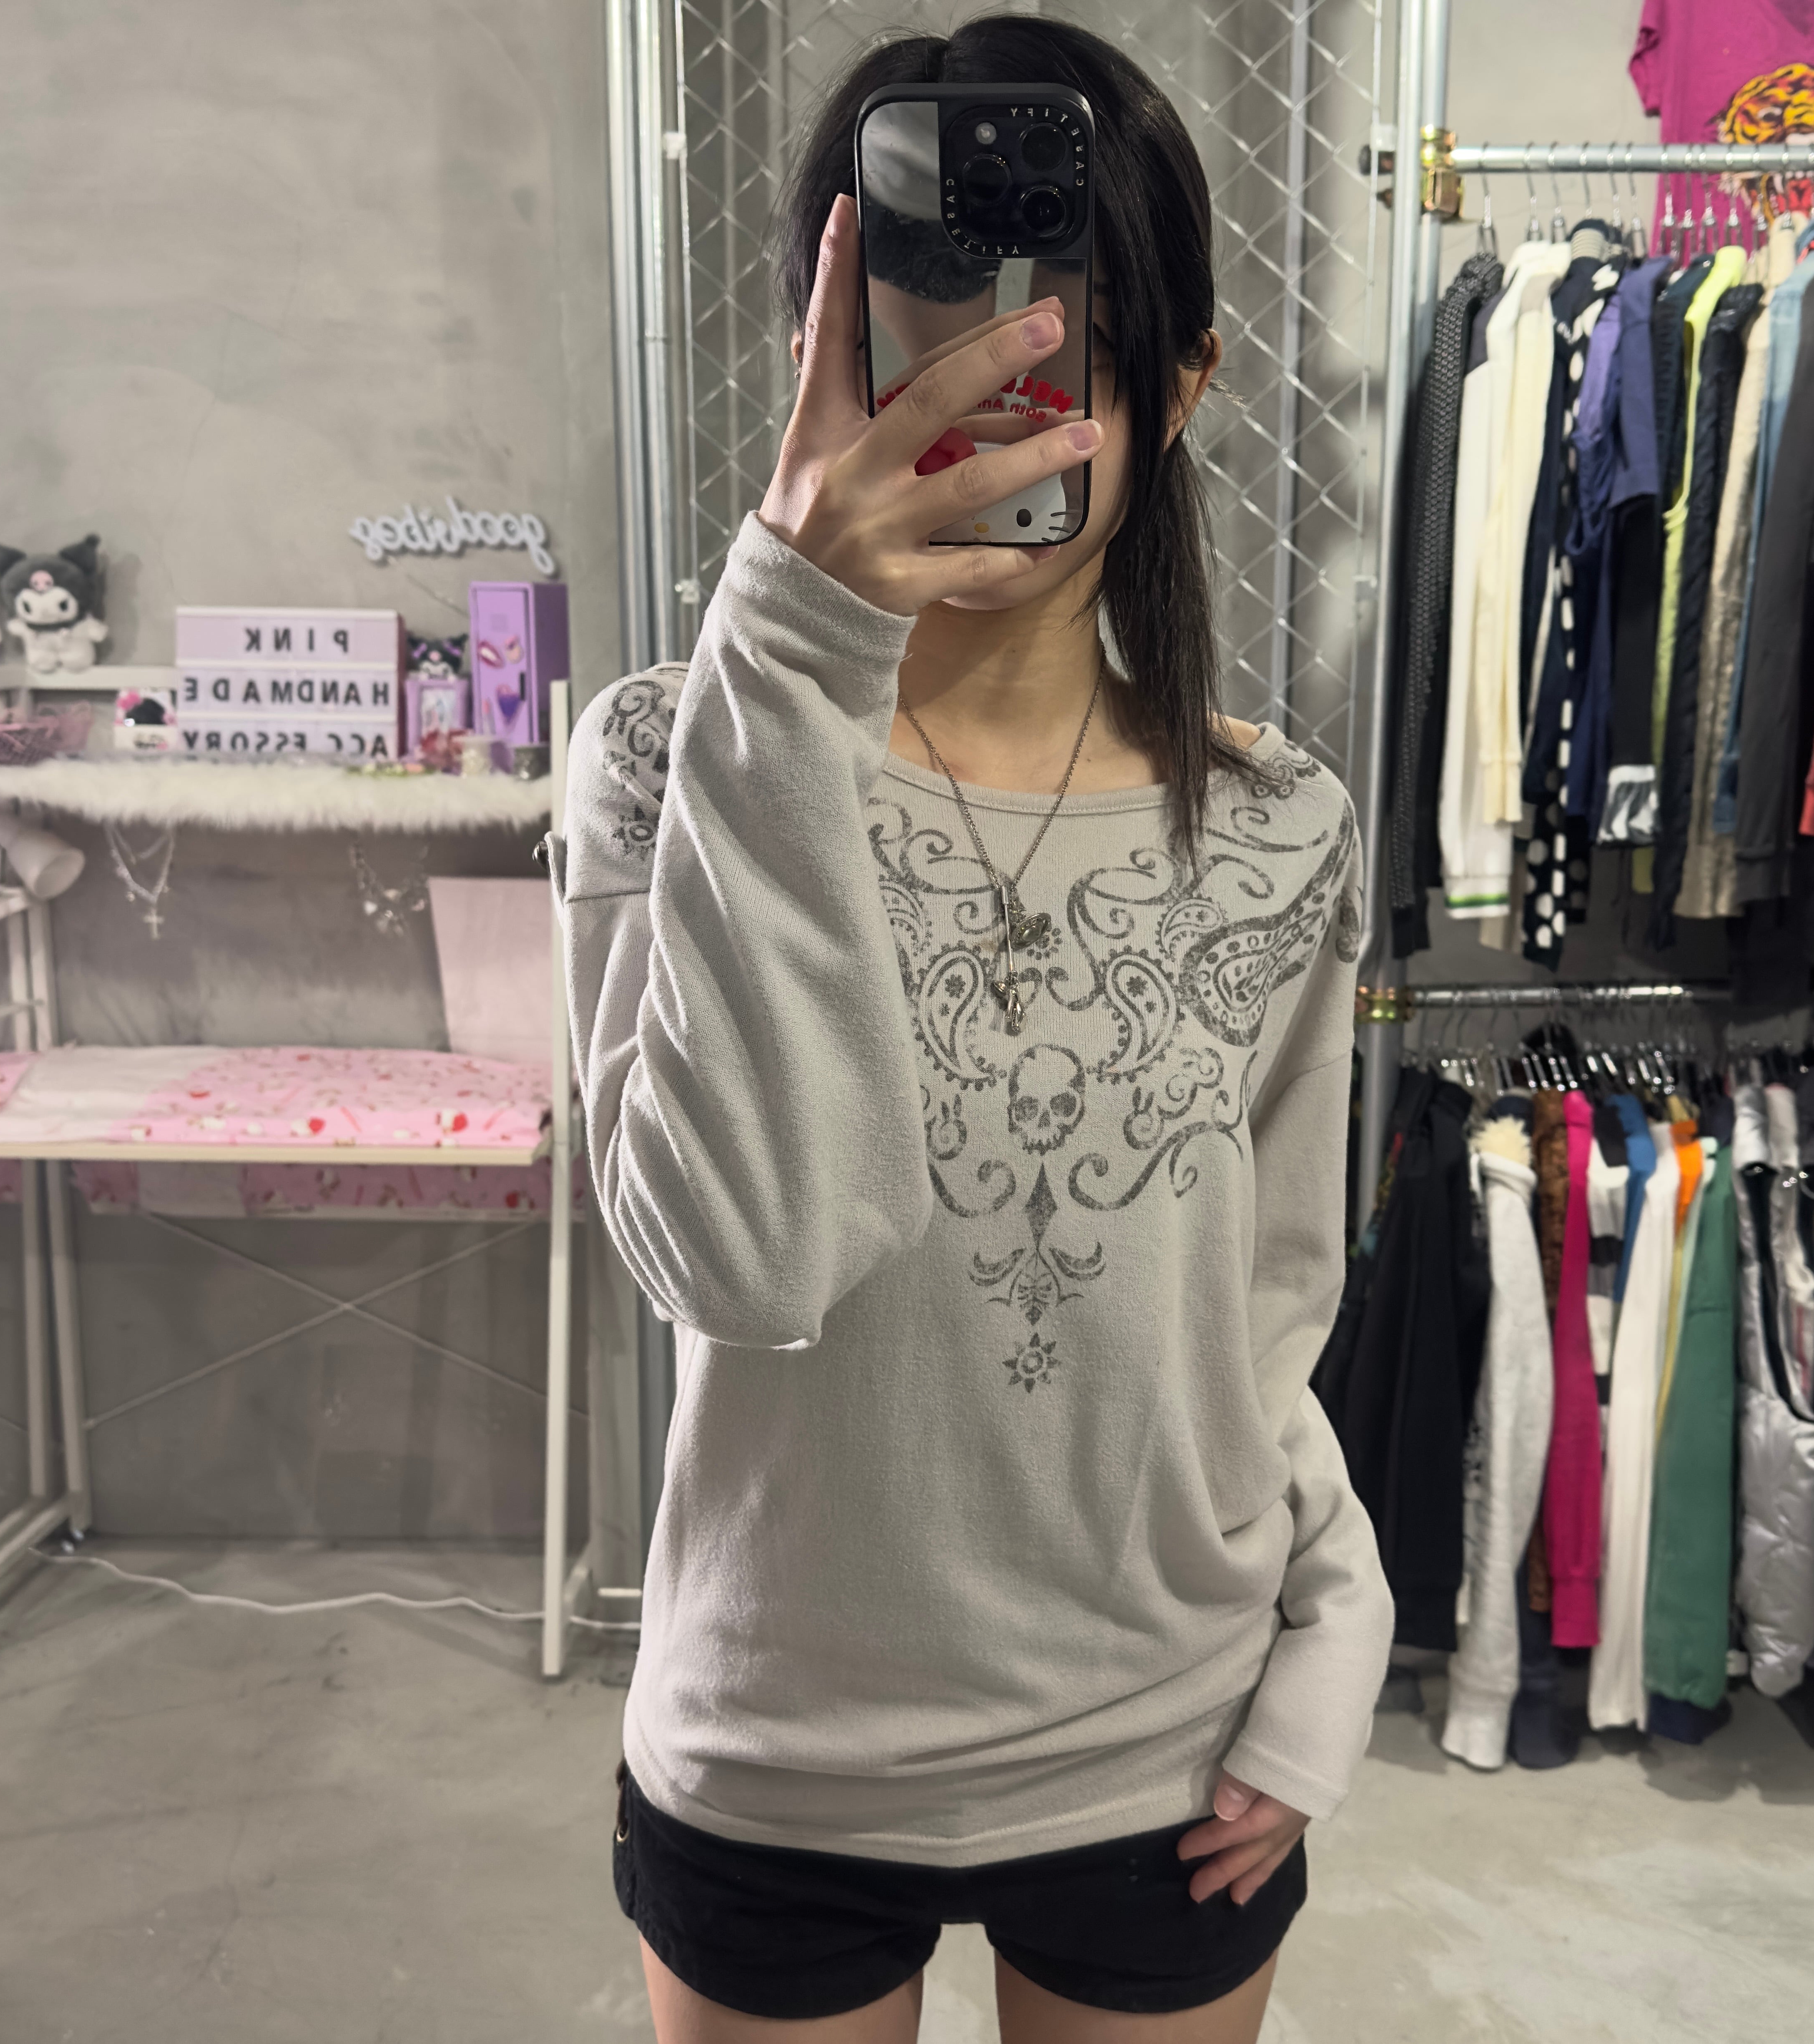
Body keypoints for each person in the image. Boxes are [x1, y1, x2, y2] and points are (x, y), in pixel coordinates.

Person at [553, 17, 1393, 2041]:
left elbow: (1264, 1306)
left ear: (1176, 389)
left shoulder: (1275, 823)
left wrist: (1332, 1627)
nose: (972, 427)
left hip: (1162, 1742)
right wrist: (791, 646)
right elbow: (740, 1258)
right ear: (812, 362)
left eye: (1044, 363)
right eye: (908, 356)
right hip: (777, 1742)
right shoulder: (666, 758)